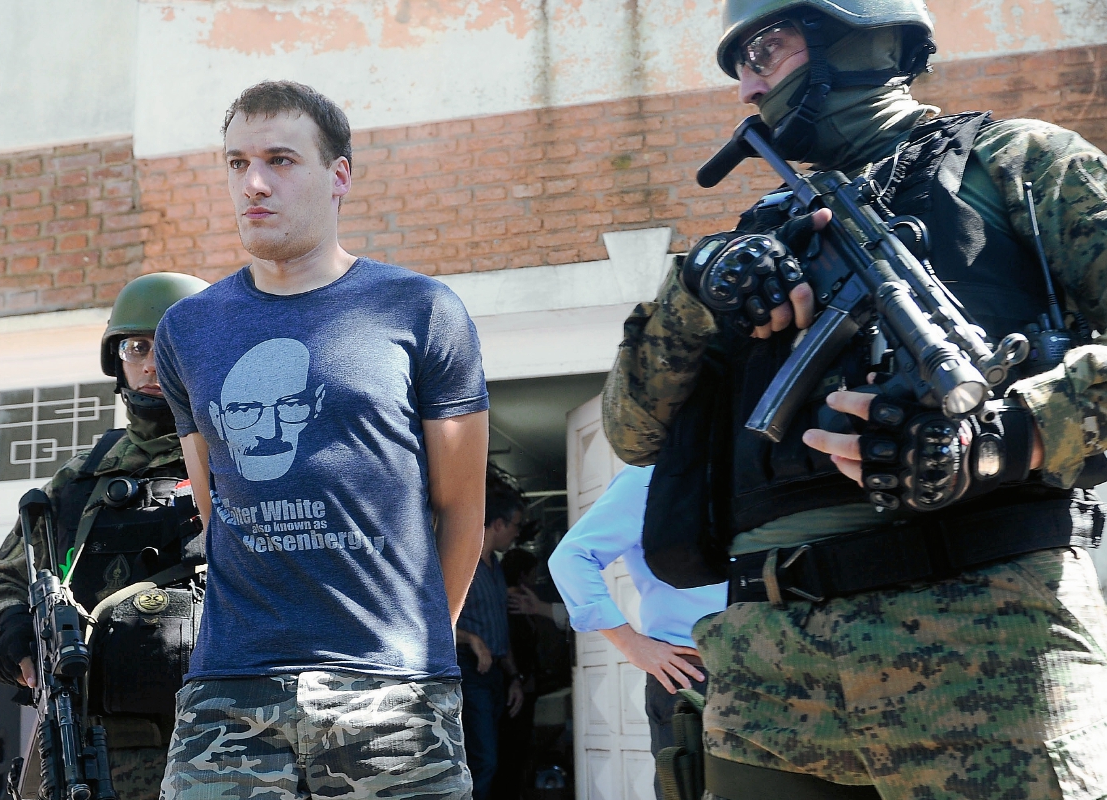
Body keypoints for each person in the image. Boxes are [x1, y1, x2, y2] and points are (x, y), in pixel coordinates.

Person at [601, 0, 1107, 796]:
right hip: (768, 677)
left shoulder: (1023, 163)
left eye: (763, 53)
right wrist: (696, 283)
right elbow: (630, 431)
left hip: (986, 651)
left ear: (858, 33)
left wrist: (1009, 435)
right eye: (738, 69)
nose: (746, 92)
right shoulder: (758, 229)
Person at [153, 80, 488, 799]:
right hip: (230, 689)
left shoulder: (422, 310)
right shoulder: (188, 330)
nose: (256, 182)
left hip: (392, 695)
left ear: (339, 176)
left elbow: (461, 509)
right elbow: (219, 505)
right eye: (237, 163)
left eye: (280, 159)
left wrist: (417, 639)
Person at [0, 271, 210, 800]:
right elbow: (1, 586)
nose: (150, 364)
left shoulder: (247, 462)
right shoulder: (79, 483)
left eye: (168, 347)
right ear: (115, 361)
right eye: (135, 347)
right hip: (98, 739)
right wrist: (12, 629)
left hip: (222, 730)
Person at [547, 465, 727, 799]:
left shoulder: (751, 465)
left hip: (772, 670)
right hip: (692, 676)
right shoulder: (648, 480)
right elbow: (570, 558)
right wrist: (630, 643)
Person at [455, 472, 527, 800]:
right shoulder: (460, 563)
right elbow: (434, 622)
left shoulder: (497, 568)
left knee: (492, 759)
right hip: (470, 671)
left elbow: (502, 629)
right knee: (483, 760)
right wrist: (471, 638)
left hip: (495, 674)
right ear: (497, 524)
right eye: (515, 526)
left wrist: (514, 677)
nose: (517, 534)